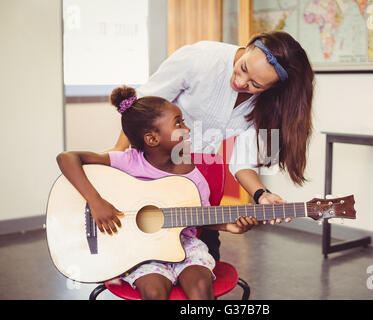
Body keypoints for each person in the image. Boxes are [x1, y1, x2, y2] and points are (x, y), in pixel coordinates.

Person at [111, 30, 315, 258]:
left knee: (205, 258)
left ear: (272, 88)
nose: (240, 82)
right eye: (244, 67)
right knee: (147, 256)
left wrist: (261, 195)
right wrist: (117, 160)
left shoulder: (265, 105)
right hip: (151, 175)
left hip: (197, 181)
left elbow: (242, 164)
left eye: (255, 84)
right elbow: (137, 109)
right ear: (248, 47)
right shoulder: (199, 59)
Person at [56, 86, 259, 300]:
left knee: (200, 288)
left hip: (186, 247)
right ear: (152, 139)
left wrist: (228, 226)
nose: (187, 129)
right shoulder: (127, 161)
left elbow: (202, 217)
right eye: (178, 123)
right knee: (153, 292)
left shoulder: (192, 176)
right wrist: (96, 201)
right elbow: (67, 158)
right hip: (141, 253)